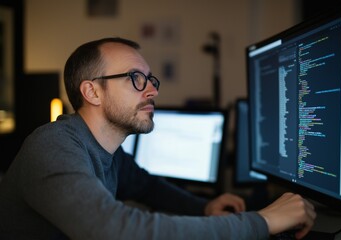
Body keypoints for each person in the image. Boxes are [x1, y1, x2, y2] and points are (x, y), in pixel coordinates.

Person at [0, 37, 316, 240]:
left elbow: (147, 186)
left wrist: (204, 207)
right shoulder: (52, 146)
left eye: (151, 79)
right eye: (136, 78)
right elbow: (115, 230)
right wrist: (263, 221)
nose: (152, 90)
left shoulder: (107, 152)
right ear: (92, 91)